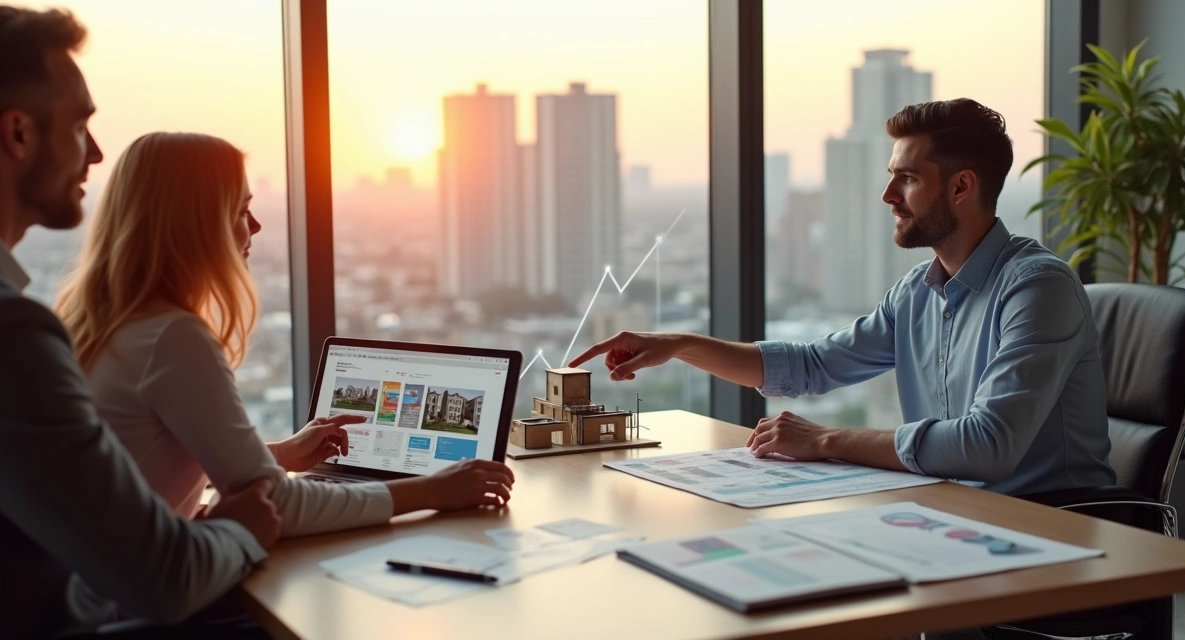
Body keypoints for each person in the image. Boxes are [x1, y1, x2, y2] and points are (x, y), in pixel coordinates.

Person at [571, 98, 1115, 497]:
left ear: (961, 187)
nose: (887, 196)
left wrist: (828, 439)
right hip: (950, 516)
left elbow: (987, 446)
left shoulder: (1037, 288)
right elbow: (812, 366)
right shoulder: (917, 294)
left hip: (1051, 528)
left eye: (906, 179)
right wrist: (678, 344)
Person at [55, 131, 515, 538]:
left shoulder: (102, 322)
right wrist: (435, 489)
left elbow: (156, 458)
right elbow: (281, 506)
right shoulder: (172, 338)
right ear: (196, 225)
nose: (255, 227)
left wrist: (276, 455)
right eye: (241, 210)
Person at [0, 7, 283, 637]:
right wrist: (242, 529)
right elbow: (166, 580)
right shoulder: (13, 335)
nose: (96, 153)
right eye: (80, 125)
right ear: (19, 134)